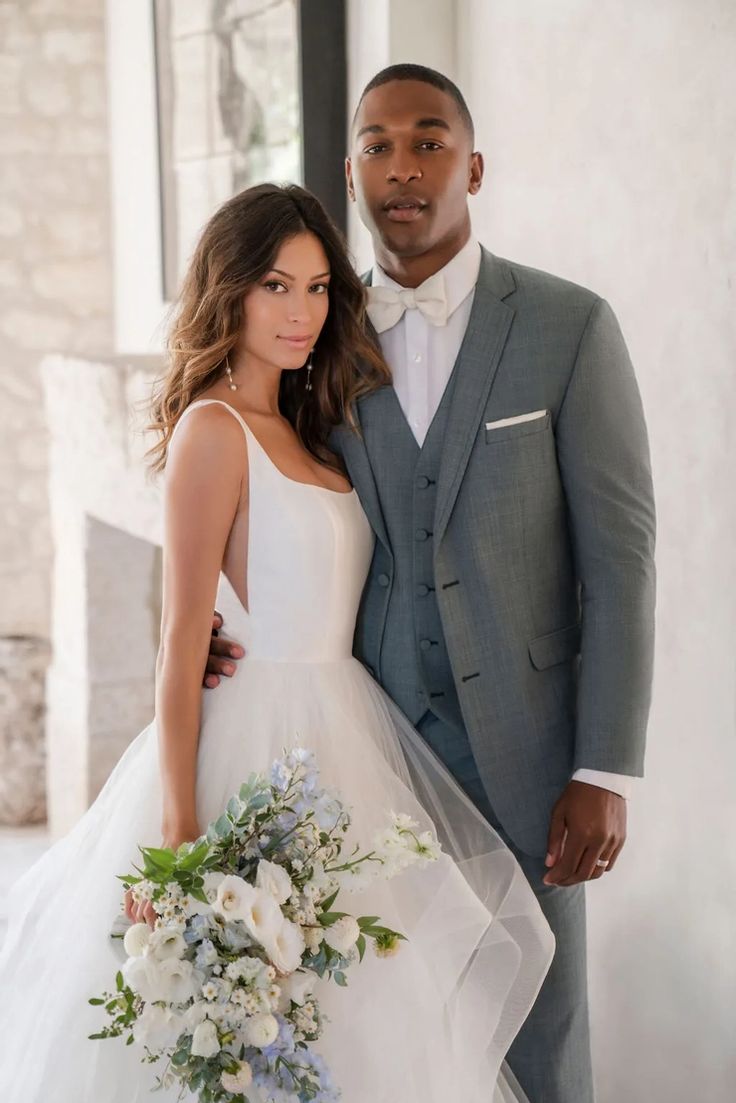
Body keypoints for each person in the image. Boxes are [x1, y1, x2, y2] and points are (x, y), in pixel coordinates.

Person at [0, 183, 553, 1103]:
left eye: (317, 288)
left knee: (356, 1008)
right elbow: (181, 638)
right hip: (252, 739)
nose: (302, 313)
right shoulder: (212, 431)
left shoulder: (311, 429)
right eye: (275, 287)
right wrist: (180, 834)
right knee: (245, 1023)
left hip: (349, 735)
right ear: (229, 293)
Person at [207, 66, 657, 1103]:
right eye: (375, 144)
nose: (400, 167)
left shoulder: (568, 326)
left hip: (529, 755)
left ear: (474, 164)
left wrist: (603, 765)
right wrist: (208, 628)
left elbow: (621, 559)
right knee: (379, 1026)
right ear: (351, 170)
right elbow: (239, 481)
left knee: (538, 1033)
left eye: (426, 140)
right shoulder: (314, 332)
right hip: (366, 751)